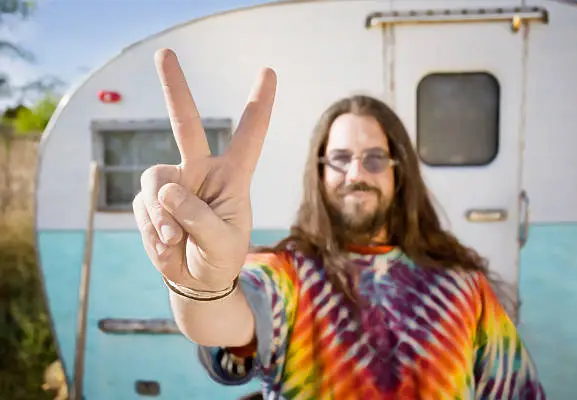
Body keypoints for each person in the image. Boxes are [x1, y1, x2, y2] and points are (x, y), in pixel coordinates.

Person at [133, 48, 546, 399]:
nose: (356, 174)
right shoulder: (287, 275)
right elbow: (228, 324)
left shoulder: (463, 288)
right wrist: (203, 288)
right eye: (341, 158)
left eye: (374, 158)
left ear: (398, 171)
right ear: (320, 170)